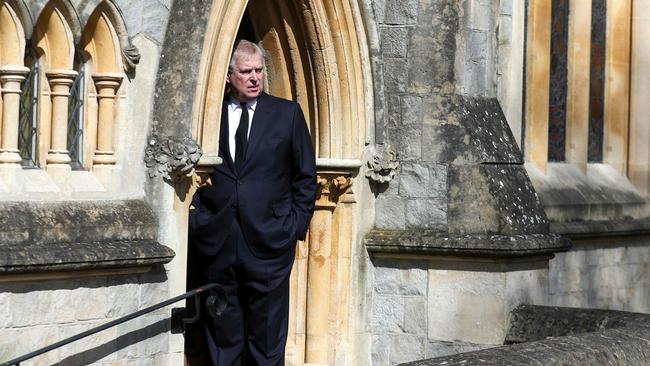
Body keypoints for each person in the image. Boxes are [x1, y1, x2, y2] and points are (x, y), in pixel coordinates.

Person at [188, 39, 317, 365]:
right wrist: (198, 222)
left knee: (267, 345)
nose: (255, 77)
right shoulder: (208, 115)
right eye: (246, 72)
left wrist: (293, 228)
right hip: (217, 246)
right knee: (222, 345)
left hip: (270, 246)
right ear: (229, 76)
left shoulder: (286, 114)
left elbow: (306, 178)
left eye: (259, 70)